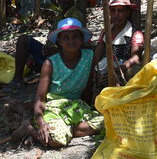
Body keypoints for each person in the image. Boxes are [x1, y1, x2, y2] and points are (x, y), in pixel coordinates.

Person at [12, 18, 103, 147]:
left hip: (77, 106)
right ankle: (30, 129)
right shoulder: (50, 63)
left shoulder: (89, 56)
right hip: (54, 107)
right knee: (55, 141)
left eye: (75, 37)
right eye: (66, 38)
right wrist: (40, 122)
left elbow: (88, 85)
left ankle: (67, 129)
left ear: (82, 40)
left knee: (105, 122)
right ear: (59, 41)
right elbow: (40, 98)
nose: (71, 41)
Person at [10, 0, 86, 86]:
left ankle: (22, 77)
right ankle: (18, 78)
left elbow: (77, 44)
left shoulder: (76, 16)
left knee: (24, 41)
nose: (62, 0)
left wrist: (59, 50)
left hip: (63, 56)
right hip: (50, 53)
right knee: (23, 40)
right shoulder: (61, 14)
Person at [92, 0, 143, 88]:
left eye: (121, 11)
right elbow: (97, 54)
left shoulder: (135, 33)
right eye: (113, 11)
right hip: (105, 67)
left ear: (128, 13)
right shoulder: (106, 31)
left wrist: (120, 69)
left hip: (124, 70)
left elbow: (136, 58)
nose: (116, 15)